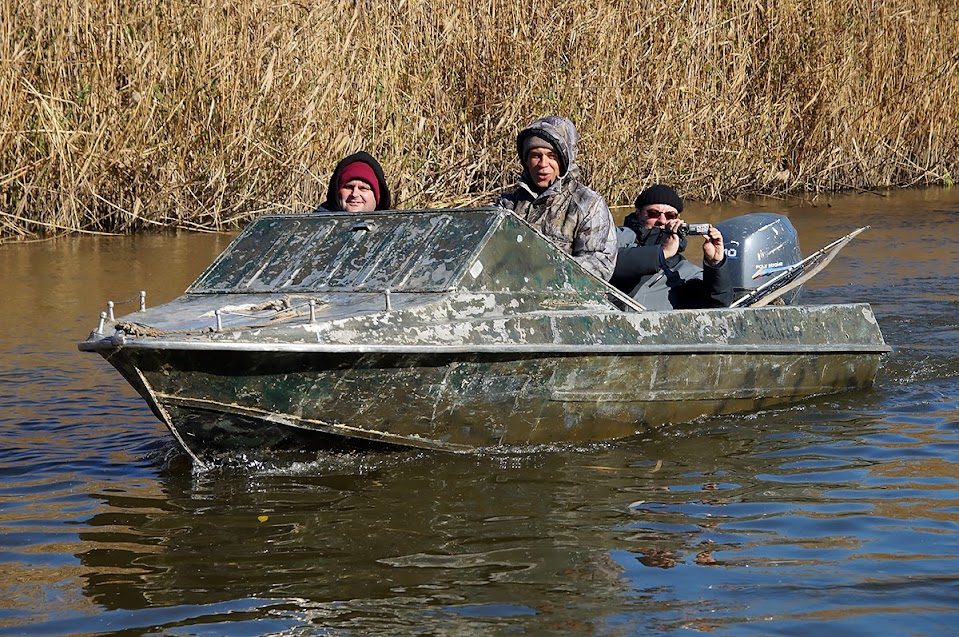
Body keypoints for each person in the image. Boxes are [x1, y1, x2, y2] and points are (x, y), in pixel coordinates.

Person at [496, 115, 617, 280]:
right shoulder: (507, 205)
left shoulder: (588, 204)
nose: (543, 164)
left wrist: (545, 275)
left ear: (563, 160)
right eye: (536, 156)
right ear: (526, 161)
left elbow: (600, 265)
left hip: (565, 298)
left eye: (551, 156)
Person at [610, 184, 733, 310]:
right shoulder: (615, 237)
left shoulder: (683, 270)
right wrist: (661, 253)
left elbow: (718, 305)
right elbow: (602, 262)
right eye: (653, 213)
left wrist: (715, 264)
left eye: (670, 216)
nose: (662, 220)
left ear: (678, 219)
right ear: (639, 214)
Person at [318, 151, 392, 212]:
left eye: (363, 188)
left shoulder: (396, 227)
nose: (354, 194)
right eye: (348, 187)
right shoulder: (314, 226)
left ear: (377, 197)